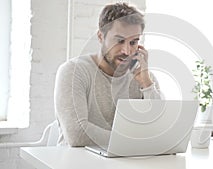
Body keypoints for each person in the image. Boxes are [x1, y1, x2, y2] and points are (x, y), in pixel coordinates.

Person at [54, 3, 162, 147]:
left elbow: (161, 130)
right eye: (119, 41)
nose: (127, 51)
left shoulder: (143, 77)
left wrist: (147, 85)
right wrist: (135, 142)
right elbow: (77, 134)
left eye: (133, 42)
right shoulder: (73, 71)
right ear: (101, 36)